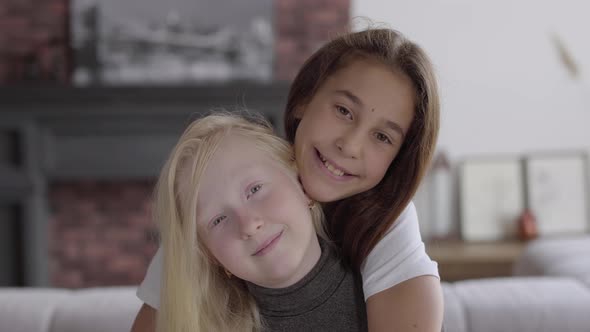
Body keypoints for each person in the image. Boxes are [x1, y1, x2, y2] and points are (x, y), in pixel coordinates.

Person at [132, 27, 443, 331]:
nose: (349, 146)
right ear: (304, 100)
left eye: (382, 136)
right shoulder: (216, 192)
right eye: (344, 111)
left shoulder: (389, 222)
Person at [150, 113, 367, 331]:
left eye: (254, 190)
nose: (249, 225)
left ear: (301, 182)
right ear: (210, 254)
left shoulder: (382, 290)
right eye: (218, 219)